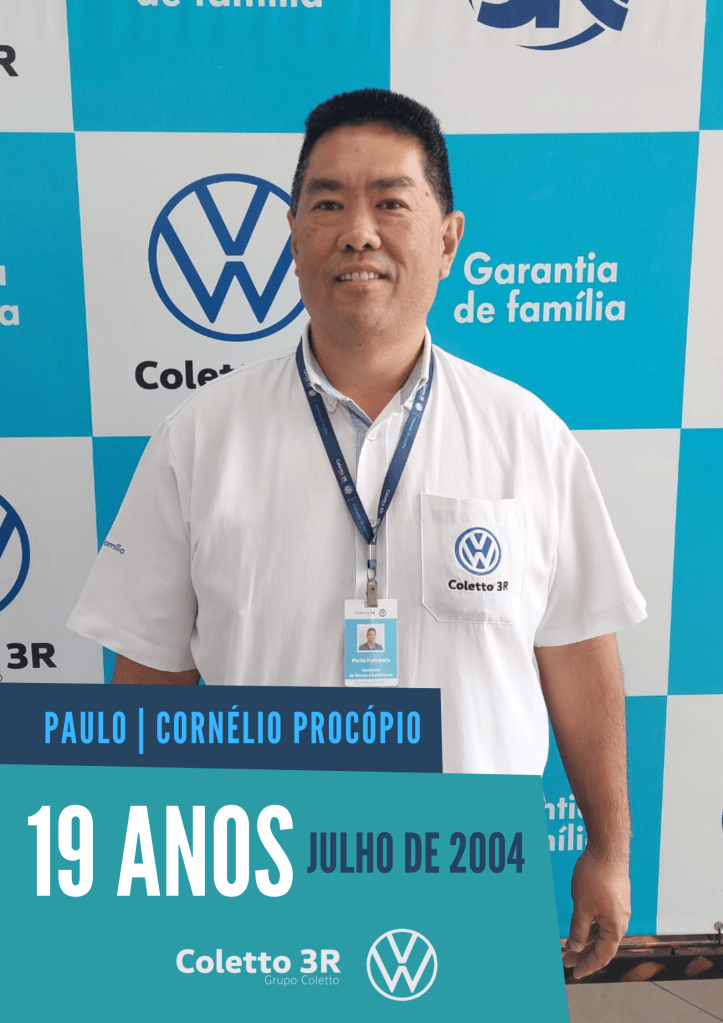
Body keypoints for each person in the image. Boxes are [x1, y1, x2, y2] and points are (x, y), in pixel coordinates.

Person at [68, 88, 646, 980]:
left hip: (467, 883)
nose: (358, 232)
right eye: (328, 203)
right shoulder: (201, 439)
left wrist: (607, 847)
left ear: (447, 239)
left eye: (390, 202)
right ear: (293, 234)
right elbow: (150, 676)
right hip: (262, 891)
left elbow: (575, 655)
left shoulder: (527, 437)